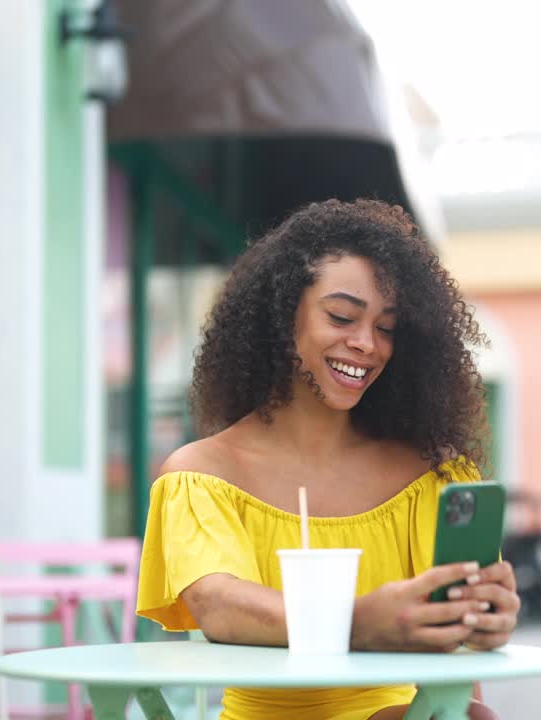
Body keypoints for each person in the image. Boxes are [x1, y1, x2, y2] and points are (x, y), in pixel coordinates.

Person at [136, 199, 520, 720]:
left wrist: (483, 626)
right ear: (281, 314)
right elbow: (219, 606)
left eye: (387, 328)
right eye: (341, 316)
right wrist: (357, 622)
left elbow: (458, 670)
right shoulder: (201, 476)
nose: (365, 344)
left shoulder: (436, 475)